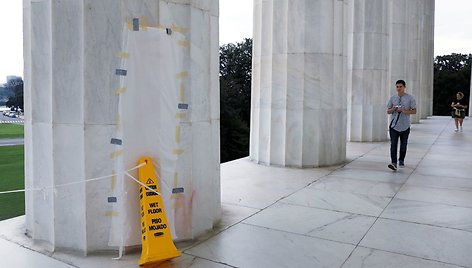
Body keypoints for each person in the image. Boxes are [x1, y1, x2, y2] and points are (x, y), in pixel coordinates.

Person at [387, 80, 417, 171]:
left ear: (404, 87)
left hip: (405, 126)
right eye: (397, 87)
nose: (399, 88)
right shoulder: (393, 98)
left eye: (400, 86)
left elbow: (414, 111)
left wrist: (404, 111)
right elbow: (388, 111)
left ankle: (401, 160)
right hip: (394, 125)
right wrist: (394, 108)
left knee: (403, 145)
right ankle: (393, 162)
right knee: (393, 145)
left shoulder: (410, 98)